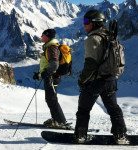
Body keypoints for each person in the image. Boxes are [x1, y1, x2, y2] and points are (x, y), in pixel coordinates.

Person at [74, 9, 129, 144]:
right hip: (110, 79)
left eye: (86, 21)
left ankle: (80, 135)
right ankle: (120, 135)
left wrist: (82, 80)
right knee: (114, 109)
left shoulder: (93, 39)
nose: (84, 24)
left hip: (95, 81)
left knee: (83, 109)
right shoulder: (110, 37)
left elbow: (91, 64)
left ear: (94, 23)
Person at [33, 29, 69, 129]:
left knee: (51, 99)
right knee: (50, 99)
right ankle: (56, 119)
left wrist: (45, 73)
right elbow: (48, 65)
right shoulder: (49, 47)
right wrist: (39, 75)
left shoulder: (51, 47)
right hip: (50, 77)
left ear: (47, 36)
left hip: (51, 78)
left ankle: (60, 121)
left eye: (43, 35)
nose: (41, 36)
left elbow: (54, 64)